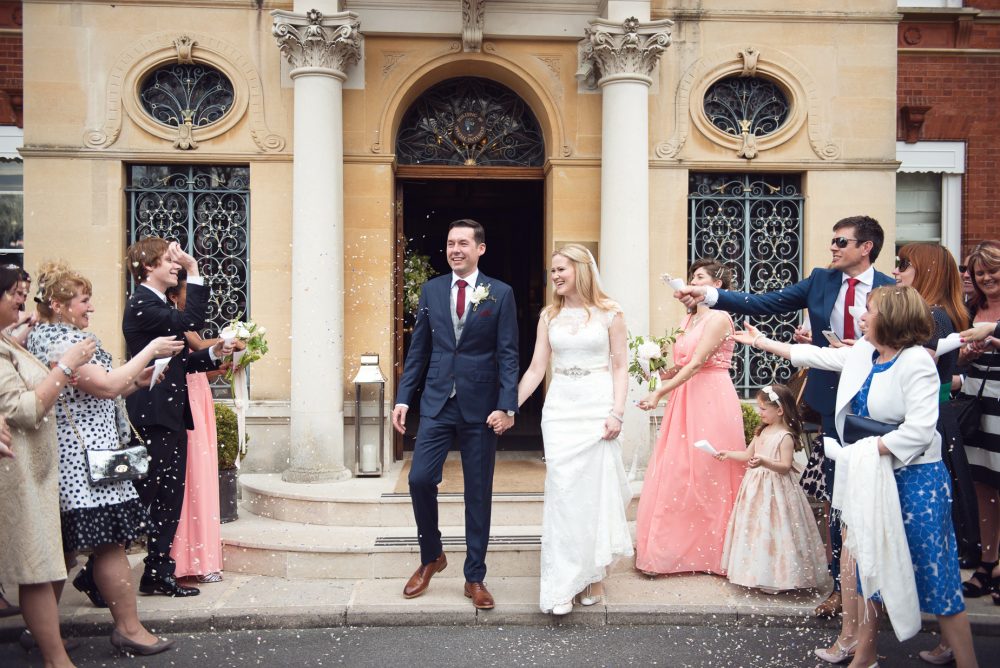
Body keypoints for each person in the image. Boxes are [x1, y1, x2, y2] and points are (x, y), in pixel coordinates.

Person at [739, 286, 978, 668]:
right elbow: (816, 355)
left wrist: (861, 452)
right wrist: (761, 342)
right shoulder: (866, 352)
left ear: (893, 318)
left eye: (870, 311)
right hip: (875, 477)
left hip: (917, 482)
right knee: (869, 562)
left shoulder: (916, 361)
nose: (861, 317)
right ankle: (864, 655)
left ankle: (966, 660)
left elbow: (919, 432)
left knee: (936, 572)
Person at [675, 215, 894, 618]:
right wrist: (710, 295)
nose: (832, 248)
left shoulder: (890, 290)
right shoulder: (821, 280)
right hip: (831, 402)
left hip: (878, 401)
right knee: (836, 493)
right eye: (832, 240)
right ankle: (840, 587)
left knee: (875, 491)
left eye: (841, 242)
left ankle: (880, 586)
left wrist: (866, 349)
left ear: (866, 248)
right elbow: (765, 302)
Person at [27, 260, 182, 656]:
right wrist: (149, 351)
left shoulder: (51, 336)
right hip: (85, 462)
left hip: (82, 457)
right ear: (59, 304)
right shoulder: (60, 343)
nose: (91, 307)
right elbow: (107, 386)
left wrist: (138, 381)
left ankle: (43, 635)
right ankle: (128, 629)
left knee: (61, 551)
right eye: (84, 300)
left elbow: (104, 392)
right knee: (110, 545)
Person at [391, 219, 519, 610]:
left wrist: (507, 405)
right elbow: (419, 349)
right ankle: (432, 555)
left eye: (463, 243)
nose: (455, 250)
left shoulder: (500, 293)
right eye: (450, 243)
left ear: (480, 248)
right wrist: (403, 398)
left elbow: (508, 354)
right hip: (437, 401)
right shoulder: (431, 290)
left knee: (478, 492)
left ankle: (474, 576)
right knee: (419, 478)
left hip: (481, 405)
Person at [515, 244, 633, 615]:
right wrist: (509, 405)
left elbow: (620, 367)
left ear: (581, 269)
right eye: (552, 271)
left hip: (597, 409)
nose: (555, 276)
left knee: (593, 495)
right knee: (564, 495)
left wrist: (617, 412)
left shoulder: (611, 313)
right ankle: (562, 584)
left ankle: (593, 575)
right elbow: (537, 368)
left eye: (561, 269)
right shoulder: (549, 315)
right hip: (561, 411)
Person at [123, 238, 231, 598]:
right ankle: (96, 573)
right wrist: (195, 268)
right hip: (152, 415)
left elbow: (182, 362)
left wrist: (217, 352)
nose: (177, 266)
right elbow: (191, 319)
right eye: (169, 261)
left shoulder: (157, 304)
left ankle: (157, 572)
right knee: (145, 495)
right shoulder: (143, 303)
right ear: (147, 266)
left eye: (178, 262)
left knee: (169, 498)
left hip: (170, 415)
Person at [0, 264, 96, 668]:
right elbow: (24, 410)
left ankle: (50, 650)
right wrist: (66, 366)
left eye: (24, 294)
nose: (22, 302)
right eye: (14, 294)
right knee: (38, 568)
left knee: (47, 565)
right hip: (18, 471)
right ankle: (56, 660)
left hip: (36, 471)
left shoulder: (10, 341)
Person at [634, 259, 746, 576]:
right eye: (692, 277)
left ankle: (714, 553)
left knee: (709, 469)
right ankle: (673, 550)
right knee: (679, 469)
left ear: (717, 285)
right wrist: (653, 371)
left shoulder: (720, 318)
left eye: (699, 277)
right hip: (685, 397)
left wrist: (660, 393)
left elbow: (697, 364)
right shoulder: (688, 318)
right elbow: (681, 365)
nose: (692, 282)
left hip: (712, 397)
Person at [892, 244, 980, 611]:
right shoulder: (932, 314)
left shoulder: (933, 316)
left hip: (929, 422)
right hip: (932, 417)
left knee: (931, 525)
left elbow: (914, 370)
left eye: (904, 264)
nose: (896, 271)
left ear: (926, 270)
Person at [717, 383, 827, 593]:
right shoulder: (762, 431)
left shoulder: (785, 436)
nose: (759, 412)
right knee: (758, 529)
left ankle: (780, 576)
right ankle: (758, 573)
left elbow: (785, 466)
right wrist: (728, 454)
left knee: (778, 528)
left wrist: (764, 462)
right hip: (756, 490)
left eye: (763, 408)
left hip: (777, 491)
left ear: (780, 410)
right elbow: (747, 455)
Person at [166, 270, 226, 583]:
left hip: (199, 393)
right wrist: (231, 339)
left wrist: (223, 365)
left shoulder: (183, 323)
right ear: (174, 296)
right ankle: (188, 559)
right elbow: (201, 346)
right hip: (187, 398)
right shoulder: (180, 324)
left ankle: (200, 556)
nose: (193, 302)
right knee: (193, 474)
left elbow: (198, 365)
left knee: (201, 471)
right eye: (188, 294)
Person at [954, 240, 1000, 608]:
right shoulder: (971, 307)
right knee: (983, 486)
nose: (986, 278)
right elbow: (957, 358)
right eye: (979, 273)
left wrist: (994, 339)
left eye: (992, 271)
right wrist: (968, 353)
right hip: (976, 401)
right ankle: (986, 562)